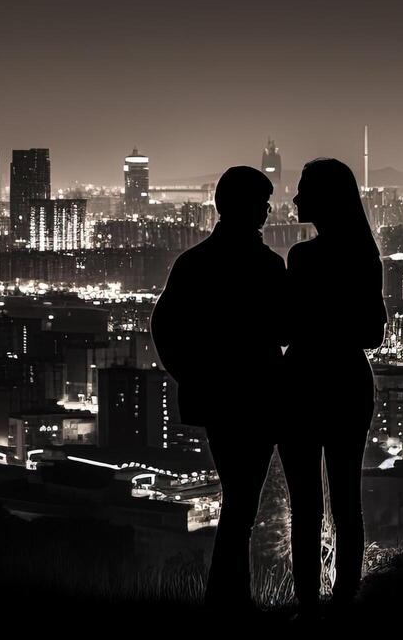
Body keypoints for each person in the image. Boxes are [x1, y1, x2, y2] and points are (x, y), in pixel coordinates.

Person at [150, 165, 286, 611]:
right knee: (242, 505)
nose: (267, 213)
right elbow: (285, 328)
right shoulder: (266, 265)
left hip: (219, 401)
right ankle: (228, 604)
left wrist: (193, 376)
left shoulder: (192, 264)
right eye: (262, 205)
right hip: (260, 398)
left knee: (239, 501)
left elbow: (165, 329)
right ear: (248, 209)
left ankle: (227, 601)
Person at [278, 157, 386, 613]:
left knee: (305, 506)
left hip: (302, 383)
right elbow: (373, 333)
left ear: (324, 198)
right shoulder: (365, 254)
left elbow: (284, 329)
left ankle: (307, 603)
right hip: (347, 383)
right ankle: (345, 600)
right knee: (346, 500)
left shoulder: (301, 258)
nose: (297, 197)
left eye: (304, 189)